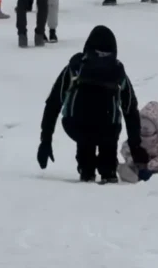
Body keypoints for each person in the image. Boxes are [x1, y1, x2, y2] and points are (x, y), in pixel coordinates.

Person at [36, 25, 146, 183]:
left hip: (77, 125)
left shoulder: (76, 67)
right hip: (108, 127)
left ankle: (86, 168)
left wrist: (45, 140)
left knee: (85, 140)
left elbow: (53, 102)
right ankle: (108, 170)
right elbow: (130, 109)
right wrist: (135, 146)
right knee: (108, 135)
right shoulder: (117, 70)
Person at [118, 101, 158, 183]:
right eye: (142, 125)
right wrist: (130, 159)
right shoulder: (136, 137)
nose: (144, 128)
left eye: (148, 125)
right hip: (138, 168)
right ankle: (129, 174)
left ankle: (151, 180)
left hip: (156, 171)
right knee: (127, 169)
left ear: (157, 126)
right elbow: (125, 148)